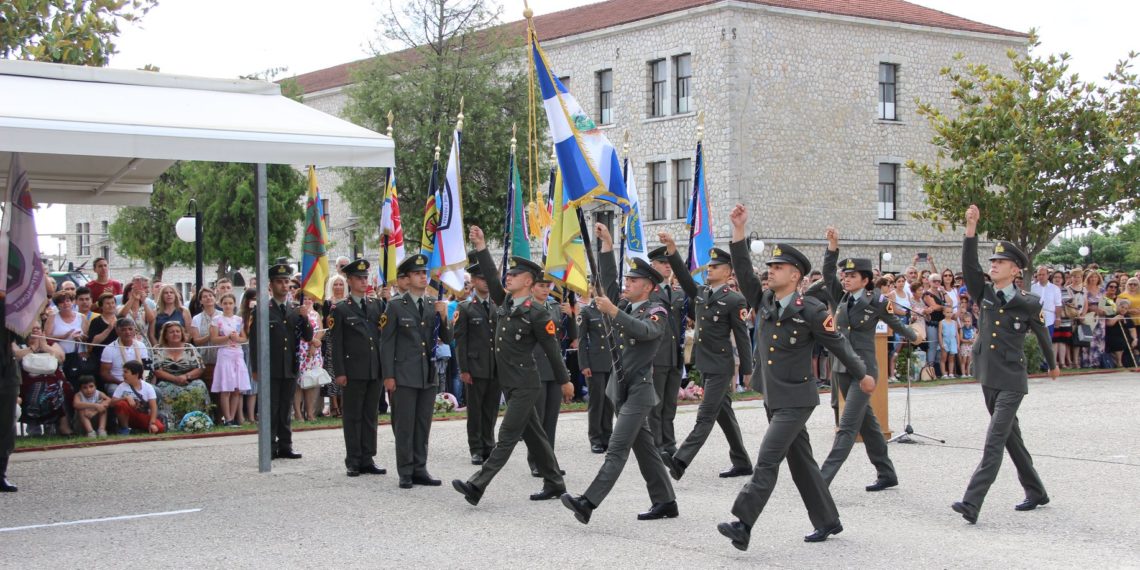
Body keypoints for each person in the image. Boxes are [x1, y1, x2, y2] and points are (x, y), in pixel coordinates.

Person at [717, 204, 873, 550]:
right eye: (770, 266)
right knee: (802, 463)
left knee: (768, 458)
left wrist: (862, 375)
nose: (770, 272)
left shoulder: (812, 311)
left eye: (778, 267)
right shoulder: (766, 300)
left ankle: (743, 523)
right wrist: (739, 232)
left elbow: (839, 344)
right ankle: (828, 520)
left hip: (797, 400)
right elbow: (743, 271)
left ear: (796, 276)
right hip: (773, 396)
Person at [560, 224, 678, 524]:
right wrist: (607, 247)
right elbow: (608, 281)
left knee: (617, 448)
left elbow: (647, 332)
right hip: (621, 388)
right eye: (628, 278)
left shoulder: (656, 310)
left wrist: (613, 311)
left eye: (634, 280)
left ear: (648, 286)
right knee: (647, 450)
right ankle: (665, 501)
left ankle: (588, 502)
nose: (627, 283)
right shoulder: (625, 304)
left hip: (638, 389)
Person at [951, 204, 1059, 525]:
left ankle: (972, 501)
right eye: (993, 261)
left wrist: (1052, 365)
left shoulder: (1028, 302)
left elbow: (1043, 335)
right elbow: (969, 265)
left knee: (995, 440)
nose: (994, 265)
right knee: (1013, 439)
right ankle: (1036, 491)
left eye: (1001, 261)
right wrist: (970, 228)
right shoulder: (983, 292)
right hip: (987, 375)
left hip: (1012, 379)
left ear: (1016, 270)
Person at [452, 226, 573, 506]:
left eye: (515, 274)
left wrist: (564, 381)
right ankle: (554, 482)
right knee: (536, 436)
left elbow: (552, 350)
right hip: (508, 381)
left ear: (529, 280)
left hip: (525, 383)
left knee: (506, 435)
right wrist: (481, 246)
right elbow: (493, 278)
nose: (509, 276)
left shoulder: (538, 313)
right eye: (509, 273)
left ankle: (477, 485)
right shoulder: (506, 301)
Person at [817, 228, 916, 491]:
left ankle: (821, 480)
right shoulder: (841, 297)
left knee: (847, 426)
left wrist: (913, 334)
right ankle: (887, 473)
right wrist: (832, 246)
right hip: (841, 367)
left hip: (864, 372)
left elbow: (896, 322)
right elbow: (827, 274)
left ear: (865, 279)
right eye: (845, 275)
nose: (846, 279)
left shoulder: (878, 301)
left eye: (852, 276)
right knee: (868, 424)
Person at [657, 231, 753, 481]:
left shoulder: (734, 299)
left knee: (706, 414)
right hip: (705, 362)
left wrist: (747, 369)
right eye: (709, 266)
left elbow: (742, 335)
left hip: (721, 365)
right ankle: (742, 461)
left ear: (728, 272)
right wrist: (672, 249)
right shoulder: (701, 293)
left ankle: (680, 461)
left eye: (715, 266)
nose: (709, 269)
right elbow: (685, 277)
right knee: (724, 414)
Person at [381, 255, 450, 489]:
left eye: (425, 273)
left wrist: (444, 316)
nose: (423, 277)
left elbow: (447, 339)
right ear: (407, 278)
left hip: (427, 374)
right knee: (404, 424)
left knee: (422, 424)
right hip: (404, 374)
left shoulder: (433, 305)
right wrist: (388, 375)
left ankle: (420, 468)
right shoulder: (395, 306)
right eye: (418, 273)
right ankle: (406, 471)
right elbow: (387, 343)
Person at [249, 262, 313, 459]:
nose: (284, 286)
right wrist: (257, 368)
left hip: (289, 366)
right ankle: (269, 446)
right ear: (271, 285)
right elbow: (254, 342)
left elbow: (308, 336)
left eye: (287, 282)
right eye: (280, 282)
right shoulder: (262, 310)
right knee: (271, 408)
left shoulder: (295, 310)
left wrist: (305, 318)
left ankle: (286, 445)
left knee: (286, 407)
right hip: (271, 367)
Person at [330, 259, 387, 477]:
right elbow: (336, 343)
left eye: (365, 278)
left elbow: (382, 337)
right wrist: (340, 372)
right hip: (353, 370)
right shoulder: (341, 309)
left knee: (370, 415)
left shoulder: (375, 305)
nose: (364, 282)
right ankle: (353, 459)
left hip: (374, 369)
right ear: (349, 280)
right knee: (353, 415)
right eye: (359, 278)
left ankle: (367, 457)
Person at [525, 271, 576, 477]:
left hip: (554, 369)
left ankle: (549, 459)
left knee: (551, 419)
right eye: (541, 286)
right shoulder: (526, 308)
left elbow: (570, 337)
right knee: (538, 418)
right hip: (535, 366)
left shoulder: (555, 308)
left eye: (548, 286)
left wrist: (570, 317)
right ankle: (535, 461)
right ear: (532, 288)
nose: (545, 290)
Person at [453, 255, 501, 465]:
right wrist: (464, 369)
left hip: (495, 366)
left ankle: (489, 444)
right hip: (475, 366)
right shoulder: (465, 308)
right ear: (472, 281)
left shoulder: (498, 306)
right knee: (475, 410)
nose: (485, 282)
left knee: (491, 408)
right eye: (481, 279)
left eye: (487, 278)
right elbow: (460, 341)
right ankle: (476, 447)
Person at [645, 246, 686, 456]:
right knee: (656, 405)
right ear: (653, 265)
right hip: (656, 356)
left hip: (674, 356)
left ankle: (669, 443)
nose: (668, 266)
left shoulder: (676, 293)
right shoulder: (649, 293)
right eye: (663, 263)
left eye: (669, 263)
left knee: (670, 404)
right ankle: (656, 444)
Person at [15, 320, 73, 436]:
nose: (36, 330)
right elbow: (14, 356)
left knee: (63, 389)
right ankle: (34, 427)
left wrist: (45, 347)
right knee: (37, 389)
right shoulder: (19, 343)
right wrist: (32, 348)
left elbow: (61, 358)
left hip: (53, 381)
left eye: (38, 328)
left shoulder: (51, 343)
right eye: (32, 329)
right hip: (28, 382)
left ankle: (63, 424)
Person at [576, 286, 614, 454]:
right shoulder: (587, 312)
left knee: (609, 402)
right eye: (597, 288)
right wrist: (584, 365)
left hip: (612, 363)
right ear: (592, 290)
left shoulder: (613, 310)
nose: (601, 291)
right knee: (597, 401)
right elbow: (582, 340)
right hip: (595, 363)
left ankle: (608, 436)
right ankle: (595, 438)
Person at [152, 322, 209, 427]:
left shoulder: (189, 347)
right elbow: (157, 371)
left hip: (188, 379)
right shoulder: (157, 349)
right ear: (165, 335)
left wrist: (186, 376)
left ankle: (198, 420)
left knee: (199, 386)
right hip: (168, 381)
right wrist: (175, 379)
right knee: (164, 389)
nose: (175, 334)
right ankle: (170, 423)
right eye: (171, 332)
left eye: (178, 331)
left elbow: (200, 367)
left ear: (182, 333)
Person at [211, 293, 250, 426]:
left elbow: (244, 338)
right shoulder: (217, 320)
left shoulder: (239, 320)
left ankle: (232, 417)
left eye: (230, 303)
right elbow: (214, 339)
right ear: (221, 305)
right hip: (225, 354)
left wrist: (237, 338)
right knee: (226, 387)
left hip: (237, 354)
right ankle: (227, 417)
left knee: (236, 389)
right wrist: (227, 337)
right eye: (225, 303)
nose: (228, 306)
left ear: (234, 305)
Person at [43, 290, 87, 389]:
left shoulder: (82, 317)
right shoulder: (52, 318)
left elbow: (87, 338)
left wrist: (79, 337)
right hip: (60, 358)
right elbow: (46, 337)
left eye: (68, 300)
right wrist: (63, 337)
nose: (65, 304)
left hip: (78, 357)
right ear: (58, 305)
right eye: (61, 302)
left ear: (73, 302)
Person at [293, 292, 325, 422]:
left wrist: (314, 344)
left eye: (309, 298)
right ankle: (298, 413)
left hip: (313, 351)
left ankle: (310, 412)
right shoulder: (296, 313)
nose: (307, 301)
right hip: (301, 349)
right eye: (304, 298)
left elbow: (321, 331)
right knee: (299, 384)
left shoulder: (316, 314)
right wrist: (310, 341)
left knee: (311, 382)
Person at [322, 274, 350, 418]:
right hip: (332, 339)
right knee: (332, 372)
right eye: (335, 284)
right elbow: (326, 324)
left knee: (347, 370)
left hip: (347, 339)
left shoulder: (348, 302)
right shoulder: (327, 303)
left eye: (341, 284)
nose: (338, 287)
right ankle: (334, 405)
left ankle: (345, 405)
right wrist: (332, 310)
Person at [110, 360, 164, 434]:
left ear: (135, 374)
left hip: (142, 415)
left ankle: (138, 430)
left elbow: (153, 407)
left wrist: (152, 423)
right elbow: (112, 403)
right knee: (121, 404)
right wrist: (125, 398)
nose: (123, 375)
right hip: (128, 416)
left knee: (159, 428)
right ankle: (124, 429)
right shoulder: (122, 386)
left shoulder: (148, 387)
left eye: (126, 372)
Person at [98, 318, 149, 396]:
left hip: (139, 382)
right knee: (116, 391)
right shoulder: (109, 348)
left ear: (134, 330)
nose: (127, 332)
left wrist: (142, 382)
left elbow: (145, 367)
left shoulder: (141, 345)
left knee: (156, 392)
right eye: (123, 330)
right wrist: (122, 383)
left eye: (130, 329)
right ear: (117, 331)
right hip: (117, 383)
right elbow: (104, 373)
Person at [1081, 271, 1107, 369]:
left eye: (1095, 277)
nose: (1093, 279)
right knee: (1088, 339)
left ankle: (1098, 362)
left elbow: (1105, 304)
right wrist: (1091, 308)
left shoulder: (1102, 290)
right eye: (1091, 277)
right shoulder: (1084, 290)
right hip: (1088, 317)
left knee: (1099, 339)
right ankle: (1087, 362)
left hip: (1100, 318)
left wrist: (1101, 310)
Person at [1030, 266, 1062, 337]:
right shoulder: (1032, 288)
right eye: (1039, 275)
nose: (1041, 276)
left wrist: (1058, 318)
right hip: (1035, 317)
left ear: (1048, 275)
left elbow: (1058, 305)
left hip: (1049, 317)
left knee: (1047, 340)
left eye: (1043, 274)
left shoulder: (1055, 289)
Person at [1105, 298, 1137, 368]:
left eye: (1126, 308)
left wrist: (1135, 339)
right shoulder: (1112, 313)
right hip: (1112, 336)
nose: (1123, 309)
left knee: (1133, 342)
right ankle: (1119, 363)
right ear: (1118, 306)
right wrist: (1116, 318)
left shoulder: (1127, 317)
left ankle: (1135, 361)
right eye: (1122, 307)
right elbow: (1109, 323)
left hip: (1124, 336)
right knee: (1120, 342)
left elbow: (1132, 329)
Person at [940, 306, 960, 377]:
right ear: (944, 313)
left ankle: (951, 373)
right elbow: (939, 334)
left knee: (951, 357)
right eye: (947, 312)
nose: (949, 314)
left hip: (953, 341)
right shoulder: (942, 322)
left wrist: (958, 343)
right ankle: (943, 373)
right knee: (943, 357)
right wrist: (941, 343)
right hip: (945, 340)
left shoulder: (954, 322)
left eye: (951, 312)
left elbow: (957, 333)